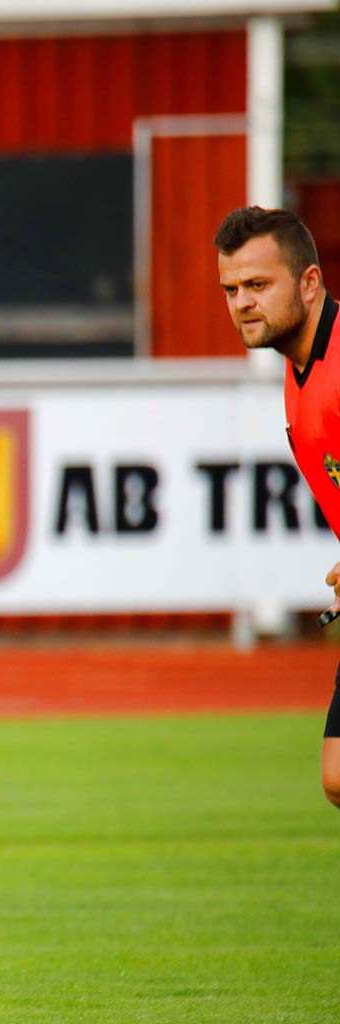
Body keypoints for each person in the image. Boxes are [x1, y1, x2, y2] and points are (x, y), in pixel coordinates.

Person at [216, 206, 340, 809]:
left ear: (309, 283)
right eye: (231, 290)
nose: (241, 303)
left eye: (258, 285)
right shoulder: (298, 374)